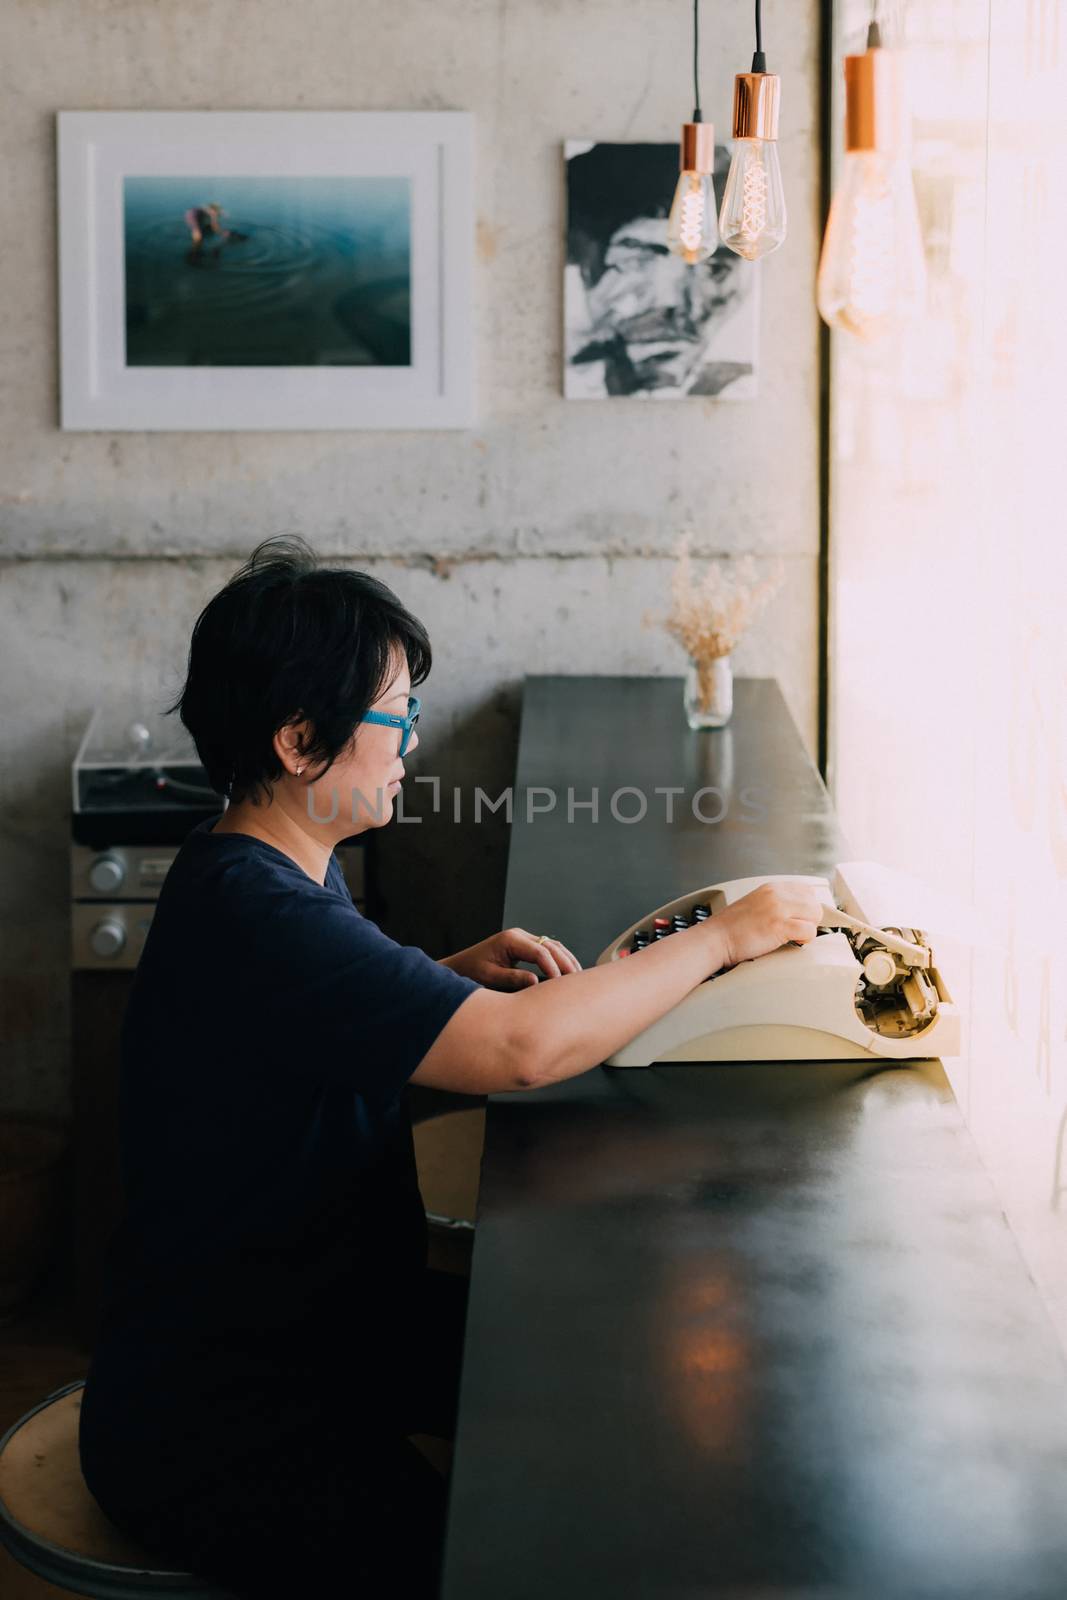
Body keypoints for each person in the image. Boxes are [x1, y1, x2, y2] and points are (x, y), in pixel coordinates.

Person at [78, 536, 823, 1598]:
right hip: (229, 1422)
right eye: (396, 718)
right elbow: (518, 1053)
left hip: (315, 1334)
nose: (409, 744)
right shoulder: (259, 911)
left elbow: (293, 1046)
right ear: (300, 740)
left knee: (584, 1384)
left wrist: (425, 984)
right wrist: (720, 937)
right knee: (518, 1552)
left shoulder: (259, 868)